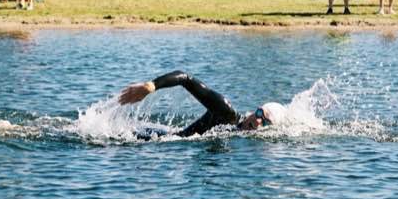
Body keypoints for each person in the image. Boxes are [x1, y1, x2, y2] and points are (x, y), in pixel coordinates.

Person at [117, 70, 287, 138]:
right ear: (254, 110)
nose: (258, 122)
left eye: (265, 122)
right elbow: (185, 78)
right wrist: (150, 87)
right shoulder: (226, 113)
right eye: (259, 114)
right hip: (160, 139)